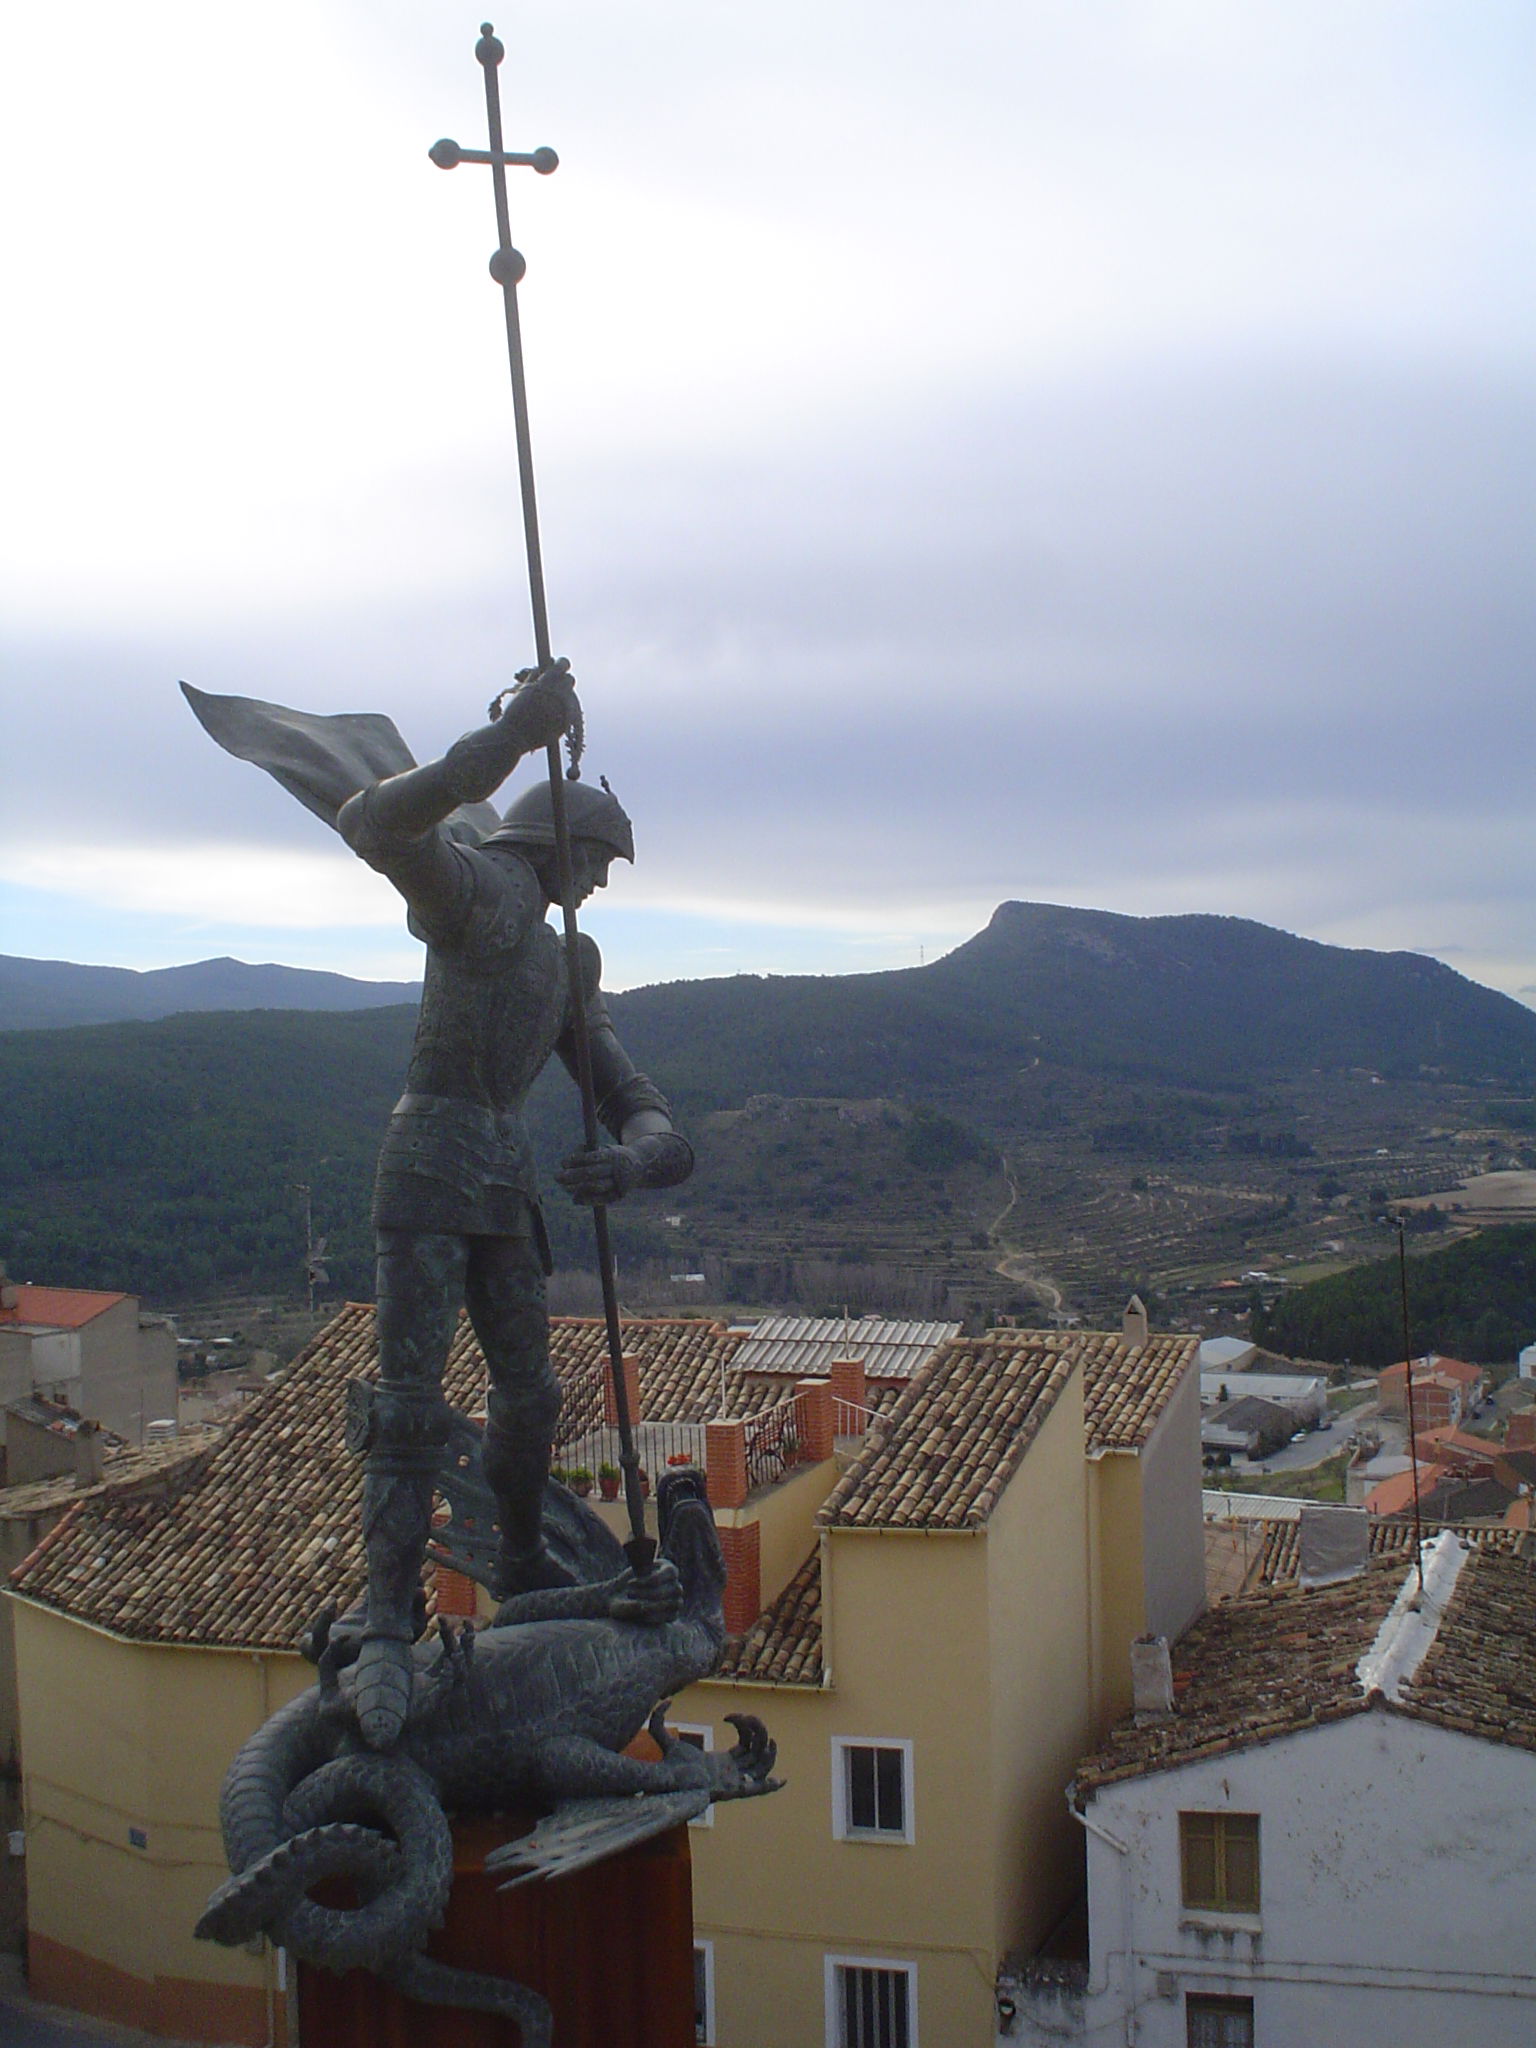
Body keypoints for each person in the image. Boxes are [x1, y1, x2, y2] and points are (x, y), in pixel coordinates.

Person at [330, 664, 693, 1748]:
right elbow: (374, 823)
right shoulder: (477, 892)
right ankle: (388, 1615)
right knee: (409, 1399)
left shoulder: (564, 957)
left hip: (501, 1181)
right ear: (560, 846)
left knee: (530, 1401)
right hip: (433, 1157)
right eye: (597, 860)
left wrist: (632, 1164)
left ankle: (525, 1561)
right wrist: (505, 739)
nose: (603, 884)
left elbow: (643, 1109)